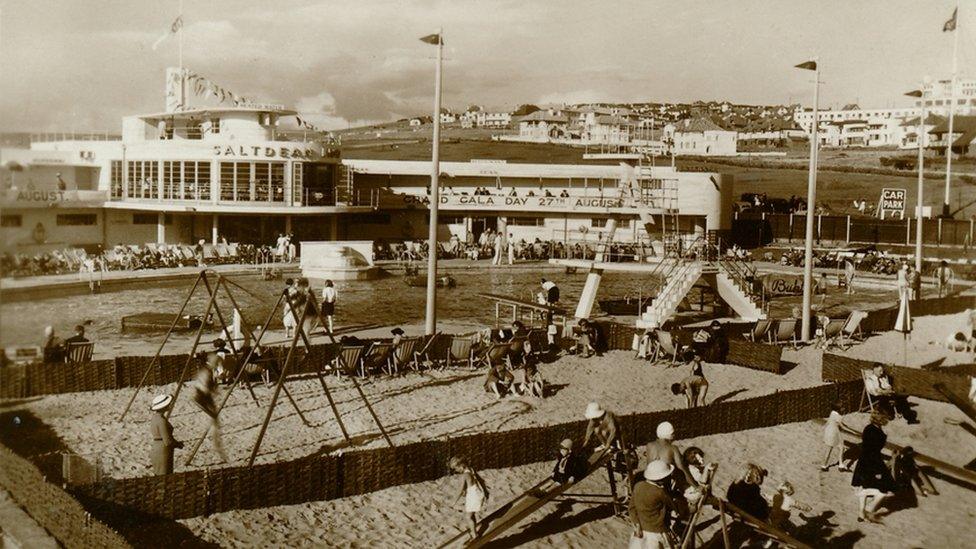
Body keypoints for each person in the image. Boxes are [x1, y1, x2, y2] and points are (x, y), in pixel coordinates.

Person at [852, 410, 896, 523]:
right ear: (882, 420)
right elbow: (874, 452)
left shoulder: (868, 428)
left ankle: (861, 514)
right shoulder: (878, 433)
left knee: (865, 486)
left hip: (863, 461)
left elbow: (867, 447)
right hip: (873, 463)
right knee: (886, 489)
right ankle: (869, 508)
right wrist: (878, 470)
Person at [628, 460, 676, 549]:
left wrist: (637, 524)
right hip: (656, 532)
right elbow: (672, 506)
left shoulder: (638, 486)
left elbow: (631, 508)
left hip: (641, 530)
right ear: (661, 479)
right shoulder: (660, 492)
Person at [191, 359, 228, 462]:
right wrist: (214, 390)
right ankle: (217, 443)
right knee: (214, 419)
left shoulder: (206, 370)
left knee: (214, 419)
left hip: (203, 395)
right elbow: (206, 387)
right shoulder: (207, 372)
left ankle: (216, 439)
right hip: (202, 396)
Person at [645, 421, 696, 488]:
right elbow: (682, 469)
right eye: (673, 434)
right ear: (669, 435)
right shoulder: (673, 448)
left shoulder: (649, 445)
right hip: (664, 483)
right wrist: (696, 486)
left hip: (650, 480)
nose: (674, 436)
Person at [449, 457, 489, 541]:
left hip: (473, 496)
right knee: (471, 514)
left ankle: (474, 536)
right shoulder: (471, 470)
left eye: (456, 468)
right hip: (477, 493)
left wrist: (454, 502)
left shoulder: (464, 475)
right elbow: (479, 481)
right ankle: (474, 532)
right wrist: (485, 491)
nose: (456, 471)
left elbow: (459, 490)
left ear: (461, 466)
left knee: (468, 517)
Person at [150, 394, 182, 475]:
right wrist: (177, 444)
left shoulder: (155, 418)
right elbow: (167, 441)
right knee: (164, 475)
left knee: (158, 473)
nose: (170, 405)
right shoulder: (161, 420)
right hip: (163, 451)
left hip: (156, 447)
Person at [821, 400, 850, 472]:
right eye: (842, 407)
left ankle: (825, 465)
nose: (844, 408)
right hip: (834, 433)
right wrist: (852, 431)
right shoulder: (839, 416)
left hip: (829, 431)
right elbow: (842, 427)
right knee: (839, 447)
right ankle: (839, 465)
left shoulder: (832, 413)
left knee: (834, 448)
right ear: (839, 409)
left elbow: (829, 422)